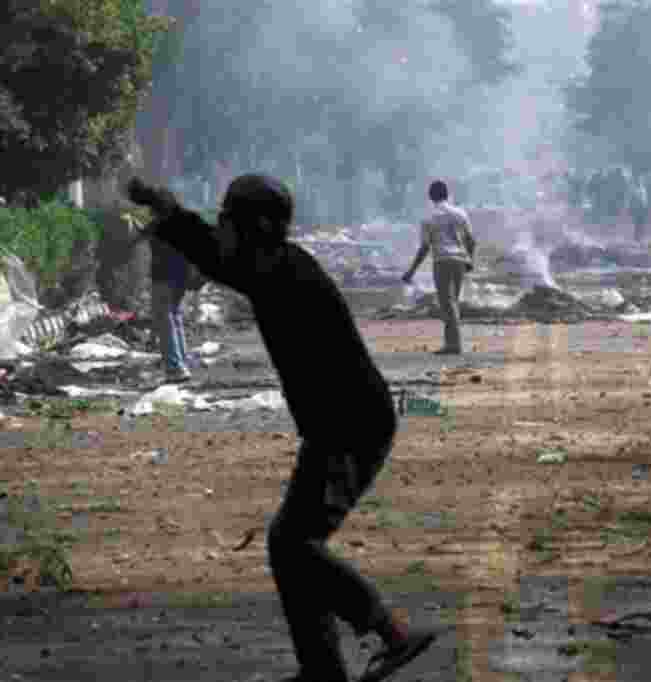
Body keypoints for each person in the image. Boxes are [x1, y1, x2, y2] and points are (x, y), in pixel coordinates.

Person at [125, 174, 438, 682]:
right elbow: (221, 257)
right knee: (291, 545)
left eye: (228, 221)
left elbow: (221, 260)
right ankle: (322, 669)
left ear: (255, 227)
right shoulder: (280, 263)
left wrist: (173, 215)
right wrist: (172, 212)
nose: (222, 229)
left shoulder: (281, 270)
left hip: (350, 426)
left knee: (293, 544)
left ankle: (391, 632)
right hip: (339, 423)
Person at [402, 180, 476, 355]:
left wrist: (411, 271)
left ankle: (454, 345)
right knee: (453, 302)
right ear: (447, 194)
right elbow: (471, 242)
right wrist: (470, 261)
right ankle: (451, 343)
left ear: (430, 196)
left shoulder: (429, 217)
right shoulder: (460, 213)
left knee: (447, 303)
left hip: (441, 261)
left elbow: (425, 247)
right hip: (459, 261)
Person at [133, 219, 193, 383]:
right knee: (174, 316)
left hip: (164, 277)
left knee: (165, 320)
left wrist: (135, 225)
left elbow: (137, 238)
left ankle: (175, 368)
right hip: (182, 276)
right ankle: (182, 363)